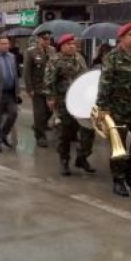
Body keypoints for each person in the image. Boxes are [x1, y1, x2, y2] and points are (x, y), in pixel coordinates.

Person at [96, 23, 131, 197]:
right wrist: (103, 107)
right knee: (118, 147)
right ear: (121, 38)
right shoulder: (112, 58)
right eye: (130, 35)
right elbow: (105, 83)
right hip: (118, 109)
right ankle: (118, 180)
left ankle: (128, 170)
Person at [44, 34, 96, 175]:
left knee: (89, 131)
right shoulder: (54, 60)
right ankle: (64, 161)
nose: (72, 46)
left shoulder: (79, 58)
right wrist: (50, 98)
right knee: (65, 134)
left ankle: (82, 157)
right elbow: (49, 81)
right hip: (64, 103)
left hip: (81, 102)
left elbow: (85, 77)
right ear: (61, 46)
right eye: (68, 44)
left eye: (73, 43)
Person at [24, 31, 56, 148]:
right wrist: (29, 88)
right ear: (38, 40)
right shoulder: (31, 52)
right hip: (37, 88)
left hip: (50, 87)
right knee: (39, 113)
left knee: (50, 111)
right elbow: (27, 72)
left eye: (48, 39)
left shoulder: (52, 51)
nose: (46, 41)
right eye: (44, 39)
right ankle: (40, 137)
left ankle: (39, 126)